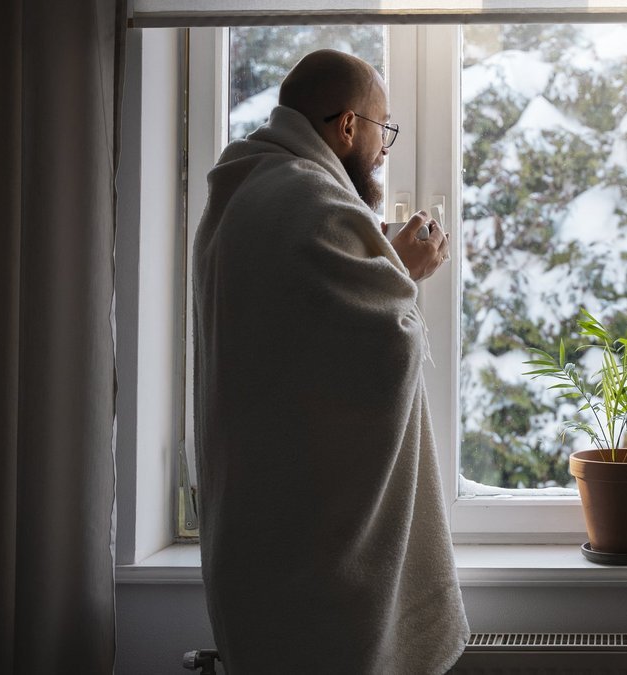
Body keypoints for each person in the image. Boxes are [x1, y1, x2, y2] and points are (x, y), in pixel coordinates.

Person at [192, 49, 468, 674]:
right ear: (347, 127)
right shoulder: (311, 201)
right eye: (383, 128)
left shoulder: (245, 187)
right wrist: (404, 270)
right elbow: (379, 352)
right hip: (311, 548)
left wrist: (381, 266)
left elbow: (298, 342)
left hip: (254, 518)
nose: (385, 147)